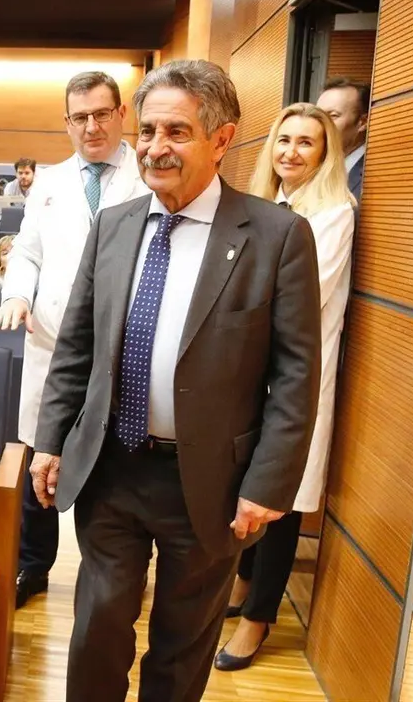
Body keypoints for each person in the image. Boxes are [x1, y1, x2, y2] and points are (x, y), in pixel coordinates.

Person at [32, 60, 321, 702]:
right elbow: (77, 347)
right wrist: (49, 440)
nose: (155, 147)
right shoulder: (113, 226)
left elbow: (296, 376)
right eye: (148, 130)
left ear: (222, 140)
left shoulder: (277, 236)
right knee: (97, 627)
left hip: (212, 482)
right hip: (112, 466)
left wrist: (269, 483)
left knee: (182, 644)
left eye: (177, 132)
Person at [0, 70, 150, 608]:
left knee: (117, 460)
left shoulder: (146, 174)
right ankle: (34, 566)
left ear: (121, 115)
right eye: (80, 117)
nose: (91, 126)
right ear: (67, 123)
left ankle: (118, 573)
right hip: (53, 338)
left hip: (125, 343)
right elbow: (27, 251)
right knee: (43, 453)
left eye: (102, 114)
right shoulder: (50, 181)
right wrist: (18, 294)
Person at [217, 102, 356, 671]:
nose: (291, 152)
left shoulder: (334, 214)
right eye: (284, 140)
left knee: (280, 497)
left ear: (325, 156)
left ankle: (259, 619)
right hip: (250, 370)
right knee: (247, 484)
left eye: (306, 143)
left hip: (295, 375)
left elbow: (298, 300)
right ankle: (243, 584)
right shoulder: (262, 206)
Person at [316, 77, 370, 202]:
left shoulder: (376, 176)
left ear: (363, 122)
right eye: (318, 116)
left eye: (333, 116)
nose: (320, 124)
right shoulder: (311, 169)